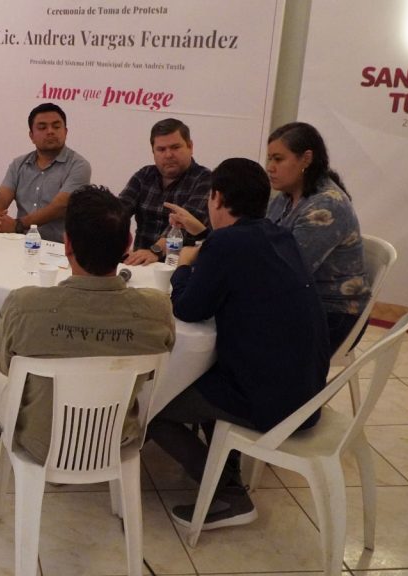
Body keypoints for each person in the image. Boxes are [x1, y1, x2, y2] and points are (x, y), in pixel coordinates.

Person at [148, 158, 330, 531]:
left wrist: (183, 267)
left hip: (273, 401)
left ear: (216, 198)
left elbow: (189, 308)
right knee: (201, 376)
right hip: (307, 389)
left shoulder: (228, 243)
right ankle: (223, 466)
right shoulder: (277, 234)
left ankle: (227, 493)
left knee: (155, 405)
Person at [0, 184, 175, 465]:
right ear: (128, 243)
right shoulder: (158, 309)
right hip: (115, 440)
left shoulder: (23, 305)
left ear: (67, 244)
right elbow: (151, 374)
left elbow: (4, 364)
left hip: (42, 444)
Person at [266, 122, 370, 352]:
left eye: (278, 159)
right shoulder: (285, 197)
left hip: (333, 314)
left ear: (306, 159)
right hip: (300, 300)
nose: (270, 167)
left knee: (241, 333)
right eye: (269, 159)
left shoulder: (326, 205)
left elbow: (285, 271)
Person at [0, 103, 91, 243]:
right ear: (31, 136)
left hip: (59, 247)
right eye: (42, 128)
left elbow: (59, 207)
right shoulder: (19, 164)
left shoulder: (79, 166)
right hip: (20, 243)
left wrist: (18, 225)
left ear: (66, 132)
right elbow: (0, 200)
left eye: (56, 126)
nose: (50, 132)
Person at [119, 118, 212, 265]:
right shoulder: (144, 175)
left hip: (181, 267)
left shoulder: (205, 179)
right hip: (140, 264)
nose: (168, 155)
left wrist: (155, 251)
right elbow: (118, 212)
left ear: (190, 146)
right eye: (161, 149)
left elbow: (183, 224)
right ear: (153, 152)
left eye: (175, 147)